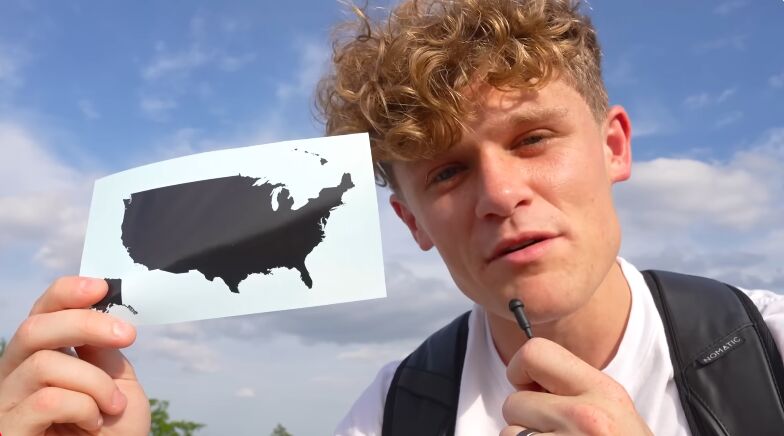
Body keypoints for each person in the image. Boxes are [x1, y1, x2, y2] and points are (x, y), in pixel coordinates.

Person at [0, 1, 781, 435]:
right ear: (412, 223)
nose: (501, 194)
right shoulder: (391, 415)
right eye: (447, 171)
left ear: (613, 146)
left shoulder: (766, 350)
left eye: (533, 138)